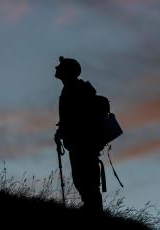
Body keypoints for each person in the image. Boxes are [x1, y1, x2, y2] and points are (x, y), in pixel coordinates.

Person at [54, 56, 108, 213]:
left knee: (86, 180)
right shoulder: (71, 88)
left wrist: (62, 131)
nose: (56, 68)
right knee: (83, 180)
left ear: (68, 71)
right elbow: (68, 119)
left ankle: (93, 211)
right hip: (81, 142)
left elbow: (74, 118)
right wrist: (60, 132)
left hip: (83, 142)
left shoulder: (74, 89)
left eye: (60, 66)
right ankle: (92, 209)